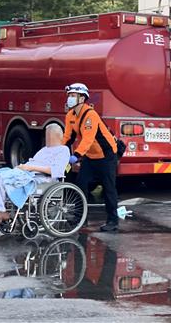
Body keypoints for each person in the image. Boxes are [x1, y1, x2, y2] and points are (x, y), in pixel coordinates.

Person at [0, 124, 69, 227]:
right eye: (47, 135)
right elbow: (33, 162)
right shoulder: (44, 150)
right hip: (25, 171)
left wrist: (31, 168)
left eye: (50, 135)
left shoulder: (63, 150)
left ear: (58, 136)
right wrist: (25, 166)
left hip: (38, 177)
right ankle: (0, 209)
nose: (48, 138)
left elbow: (56, 170)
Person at [62, 83, 120, 232]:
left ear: (82, 98)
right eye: (69, 95)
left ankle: (113, 221)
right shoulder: (70, 115)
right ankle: (81, 218)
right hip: (90, 156)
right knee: (81, 184)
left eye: (73, 96)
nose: (70, 98)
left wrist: (76, 155)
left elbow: (88, 139)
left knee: (109, 188)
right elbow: (67, 137)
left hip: (106, 156)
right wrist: (60, 152)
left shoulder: (90, 115)